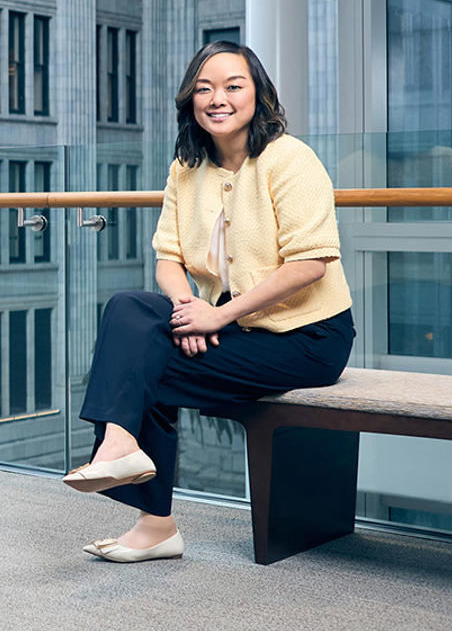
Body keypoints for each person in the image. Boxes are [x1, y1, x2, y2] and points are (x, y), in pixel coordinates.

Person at [65, 41, 355, 563]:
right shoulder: (187, 167)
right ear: (190, 100)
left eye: (232, 86)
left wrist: (218, 314)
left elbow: (311, 263)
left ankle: (149, 510)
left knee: (144, 359)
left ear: (259, 95)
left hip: (307, 339)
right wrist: (186, 312)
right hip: (230, 326)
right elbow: (168, 258)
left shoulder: (289, 158)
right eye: (204, 88)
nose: (217, 99)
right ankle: (123, 448)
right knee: (128, 308)